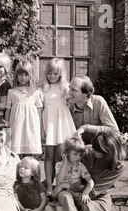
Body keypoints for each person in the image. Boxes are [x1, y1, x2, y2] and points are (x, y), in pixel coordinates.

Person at [42, 131, 126, 211]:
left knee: (63, 208)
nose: (92, 151)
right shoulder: (86, 151)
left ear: (109, 152)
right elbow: (66, 169)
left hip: (95, 199)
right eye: (93, 148)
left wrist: (65, 186)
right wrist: (44, 185)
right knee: (50, 210)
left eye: (97, 151)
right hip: (74, 195)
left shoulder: (118, 167)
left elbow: (92, 192)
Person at [40, 58, 76, 195]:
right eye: (49, 73)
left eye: (55, 73)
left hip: (62, 122)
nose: (52, 76)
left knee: (61, 155)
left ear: (61, 74)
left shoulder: (65, 88)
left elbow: (73, 103)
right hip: (49, 122)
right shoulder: (43, 88)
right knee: (48, 155)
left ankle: (60, 184)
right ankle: (49, 185)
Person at [51, 136, 94, 211]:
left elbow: (90, 181)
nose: (78, 157)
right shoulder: (59, 165)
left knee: (86, 202)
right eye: (75, 154)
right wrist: (64, 164)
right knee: (66, 197)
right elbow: (59, 180)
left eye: (80, 155)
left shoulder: (81, 166)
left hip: (76, 191)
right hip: (63, 192)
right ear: (66, 153)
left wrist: (85, 193)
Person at [4, 60, 43, 157]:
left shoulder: (35, 92)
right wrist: (6, 125)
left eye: (26, 74)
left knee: (30, 151)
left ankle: (30, 170)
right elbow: (8, 110)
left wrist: (40, 127)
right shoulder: (11, 92)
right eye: (20, 74)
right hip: (16, 125)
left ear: (30, 75)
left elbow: (39, 111)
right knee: (16, 151)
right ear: (16, 75)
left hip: (31, 125)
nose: (23, 77)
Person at [68, 76, 119, 145]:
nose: (69, 92)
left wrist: (86, 128)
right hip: (80, 150)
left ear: (86, 93)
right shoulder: (68, 107)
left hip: (100, 149)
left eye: (74, 90)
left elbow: (114, 131)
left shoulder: (98, 102)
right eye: (69, 88)